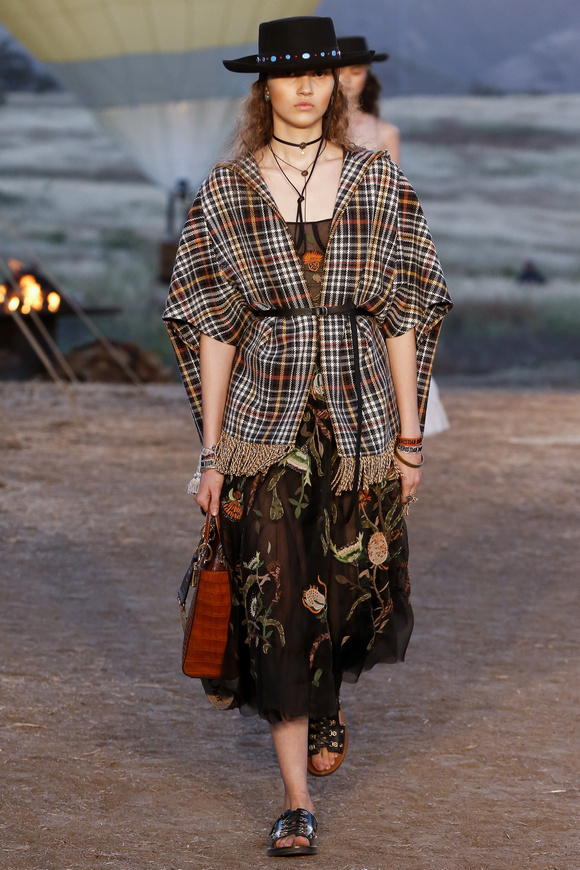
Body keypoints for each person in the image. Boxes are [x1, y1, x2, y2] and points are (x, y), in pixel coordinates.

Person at [163, 16, 451, 859]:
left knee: (354, 587)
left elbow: (406, 311)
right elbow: (211, 324)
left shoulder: (377, 179)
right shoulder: (228, 190)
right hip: (265, 424)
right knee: (278, 601)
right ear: (265, 87)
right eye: (287, 74)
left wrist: (410, 441)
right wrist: (211, 451)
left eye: (317, 73)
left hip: (362, 419)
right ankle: (297, 799)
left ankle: (327, 700)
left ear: (335, 84)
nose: (303, 87)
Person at [338, 36, 450, 436]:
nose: (347, 79)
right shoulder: (309, 132)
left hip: (370, 252)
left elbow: (395, 204)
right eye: (338, 71)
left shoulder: (385, 133)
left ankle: (393, 430)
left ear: (368, 75)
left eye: (356, 71)